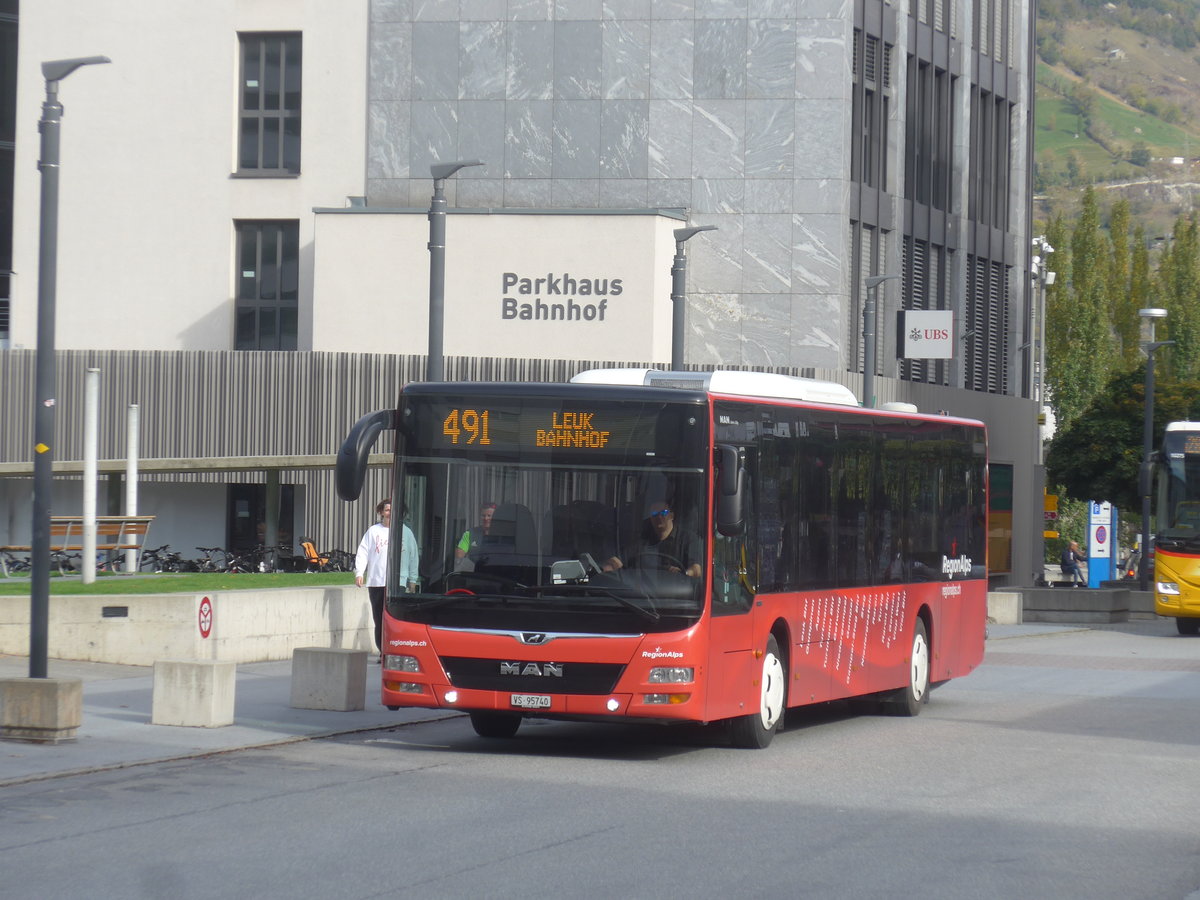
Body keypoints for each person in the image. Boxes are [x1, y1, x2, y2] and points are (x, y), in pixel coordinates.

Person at [355, 498, 418, 661]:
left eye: (394, 510)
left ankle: (396, 650)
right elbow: (363, 552)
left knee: (396, 619)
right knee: (379, 618)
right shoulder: (373, 531)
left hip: (398, 583)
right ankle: (383, 651)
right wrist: (359, 573)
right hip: (377, 582)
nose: (390, 513)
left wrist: (413, 579)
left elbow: (413, 556)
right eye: (387, 510)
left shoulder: (406, 532)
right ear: (381, 512)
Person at [605, 499, 702, 577]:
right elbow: (619, 560)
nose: (659, 517)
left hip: (677, 592)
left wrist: (683, 574)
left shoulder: (688, 539)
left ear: (672, 515)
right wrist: (606, 568)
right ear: (650, 518)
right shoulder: (642, 539)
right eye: (655, 514)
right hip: (641, 592)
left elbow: (697, 569)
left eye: (663, 512)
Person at [454, 501, 497, 565]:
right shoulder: (470, 533)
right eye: (483, 515)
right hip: (473, 570)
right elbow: (459, 556)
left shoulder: (503, 535)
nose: (486, 518)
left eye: (489, 516)